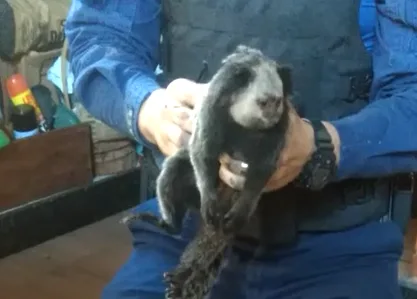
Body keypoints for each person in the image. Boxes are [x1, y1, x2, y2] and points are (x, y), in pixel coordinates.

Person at [65, 0, 417, 298]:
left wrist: (322, 146)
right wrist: (153, 112)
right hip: (186, 235)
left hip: (337, 245)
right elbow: (100, 36)